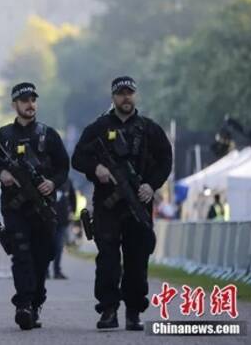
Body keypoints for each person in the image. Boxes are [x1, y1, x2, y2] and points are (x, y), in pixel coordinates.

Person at [72, 76, 172, 331]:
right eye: (121, 93)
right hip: (107, 206)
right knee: (107, 259)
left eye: (129, 93)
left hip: (138, 202)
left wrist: (151, 185)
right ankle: (108, 310)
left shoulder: (149, 129)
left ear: (135, 96)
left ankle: (134, 311)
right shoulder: (98, 127)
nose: (125, 98)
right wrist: (97, 168)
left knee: (137, 260)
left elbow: (165, 160)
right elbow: (78, 158)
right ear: (113, 97)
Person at [0, 82, 70, 330]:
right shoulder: (3, 136)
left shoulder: (49, 134)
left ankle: (34, 302)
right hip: (14, 208)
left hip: (44, 207)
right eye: (24, 100)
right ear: (14, 105)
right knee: (21, 254)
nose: (29, 104)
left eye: (33, 100)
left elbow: (63, 167)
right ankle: (23, 305)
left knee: (43, 256)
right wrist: (2, 174)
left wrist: (51, 183)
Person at [50, 178, 76, 279]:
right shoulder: (47, 179)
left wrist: (72, 211)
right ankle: (45, 271)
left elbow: (73, 197)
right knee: (47, 245)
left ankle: (57, 271)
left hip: (63, 220)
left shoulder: (67, 181)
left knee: (59, 246)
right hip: (49, 219)